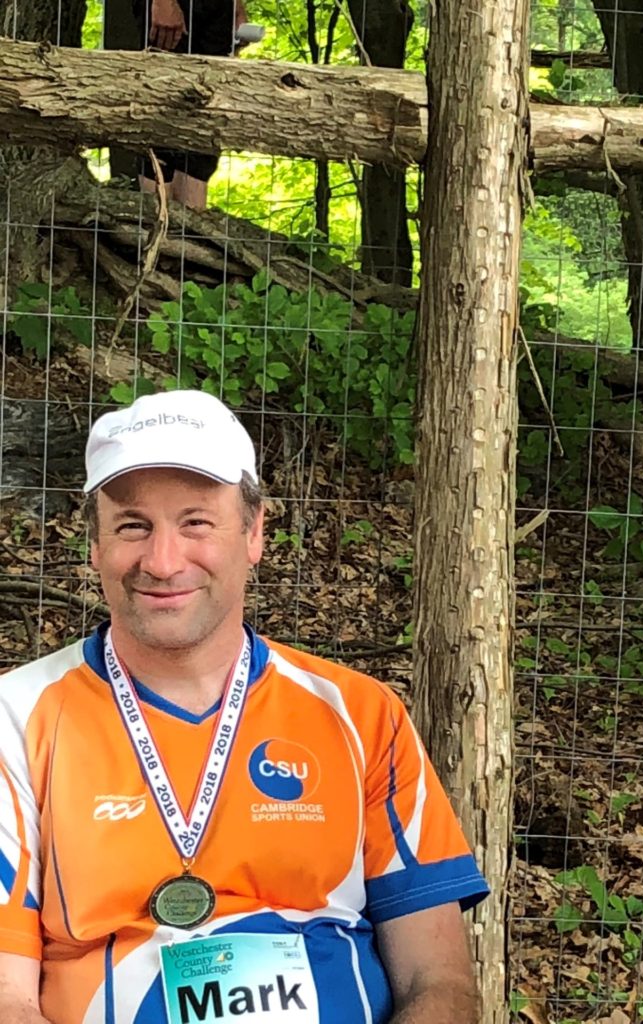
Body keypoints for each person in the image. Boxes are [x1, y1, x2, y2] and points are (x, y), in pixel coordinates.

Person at [0, 389, 488, 1023]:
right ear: (94, 544)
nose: (163, 560)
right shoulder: (15, 718)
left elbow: (439, 983)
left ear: (255, 532)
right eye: (132, 525)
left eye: (196, 521)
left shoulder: (362, 715)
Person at [131, 0, 247, 208]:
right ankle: (156, 229)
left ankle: (190, 231)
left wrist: (237, 6)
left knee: (207, 109)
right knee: (162, 107)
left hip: (219, 10)